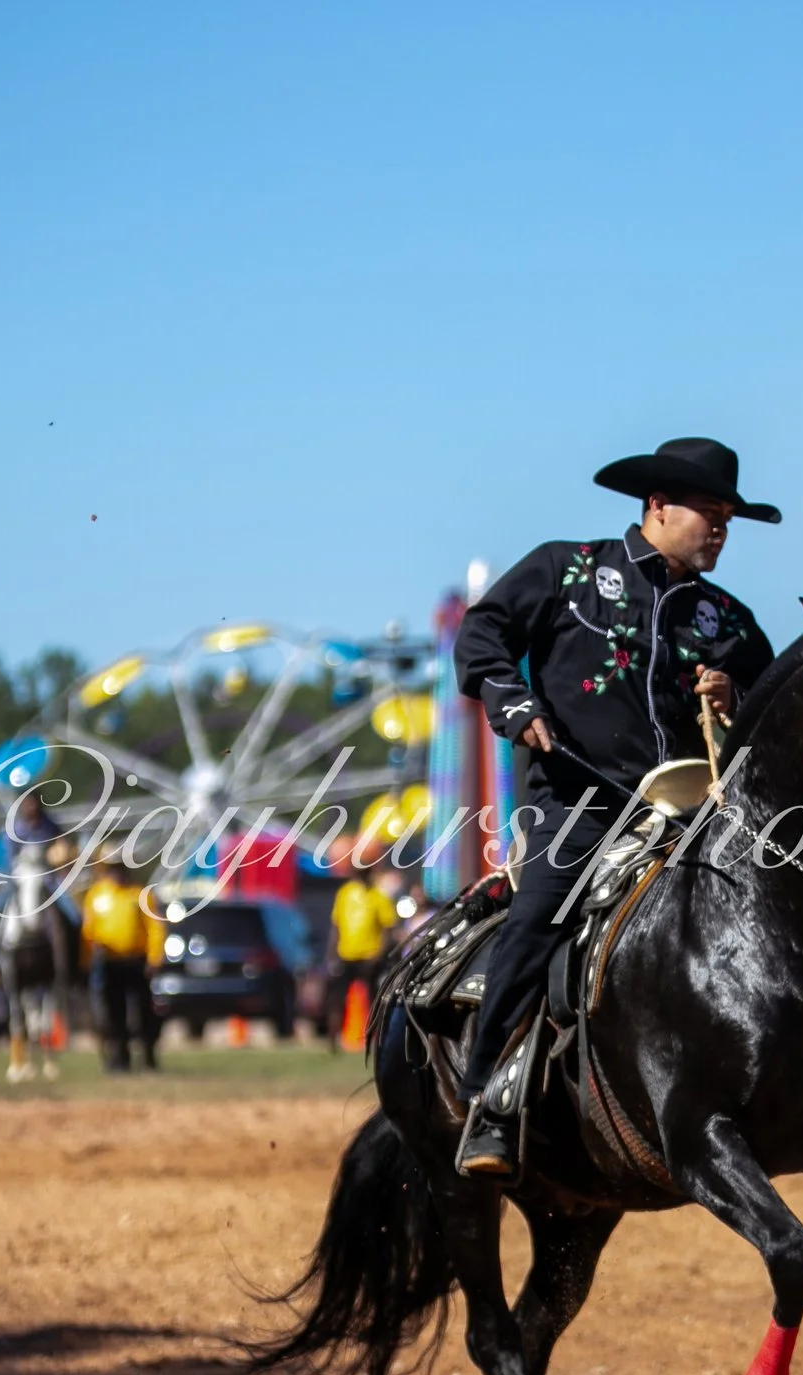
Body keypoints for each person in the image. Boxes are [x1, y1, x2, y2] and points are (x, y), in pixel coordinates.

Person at [450, 437, 778, 1178]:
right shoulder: (567, 570)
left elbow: (777, 714)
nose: (722, 528)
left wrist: (739, 698)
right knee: (541, 916)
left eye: (730, 516)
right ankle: (486, 1100)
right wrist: (512, 699)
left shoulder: (728, 618)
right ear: (657, 505)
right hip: (579, 798)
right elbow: (483, 631)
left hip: (696, 810)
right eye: (710, 512)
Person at [80, 857, 163, 1072]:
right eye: (112, 868)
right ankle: (119, 1060)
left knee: (143, 1011)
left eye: (120, 868)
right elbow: (88, 931)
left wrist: (155, 957)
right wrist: (86, 960)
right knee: (113, 1013)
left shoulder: (139, 894)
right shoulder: (96, 895)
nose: (116, 873)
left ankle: (148, 1057)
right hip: (108, 964)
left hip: (137, 962)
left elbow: (155, 927)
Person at [325, 862, 394, 1048]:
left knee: (373, 999)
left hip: (370, 956)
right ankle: (333, 1038)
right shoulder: (345, 893)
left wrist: (380, 954)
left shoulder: (379, 896)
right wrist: (331, 954)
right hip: (346, 954)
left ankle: (375, 1039)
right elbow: (336, 925)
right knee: (337, 999)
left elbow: (388, 928)